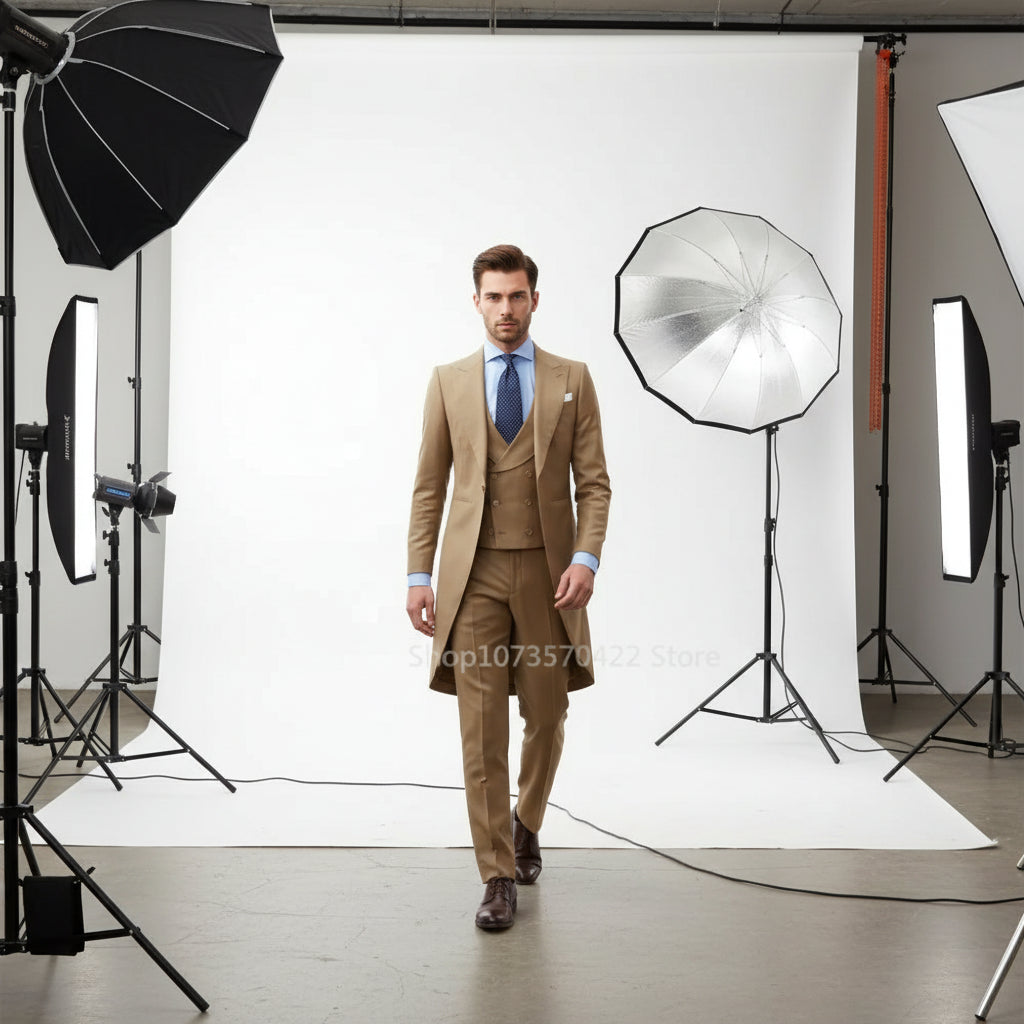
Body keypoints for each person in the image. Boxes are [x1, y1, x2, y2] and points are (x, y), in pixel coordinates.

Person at [406, 243, 611, 931]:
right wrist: (417, 574)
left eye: (516, 296)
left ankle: (526, 821)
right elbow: (430, 488)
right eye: (493, 297)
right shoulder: (448, 381)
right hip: (474, 579)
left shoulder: (571, 379)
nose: (505, 309)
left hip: (550, 578)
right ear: (476, 302)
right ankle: (496, 875)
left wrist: (586, 558)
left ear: (534, 299)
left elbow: (596, 485)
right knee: (480, 729)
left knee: (548, 716)